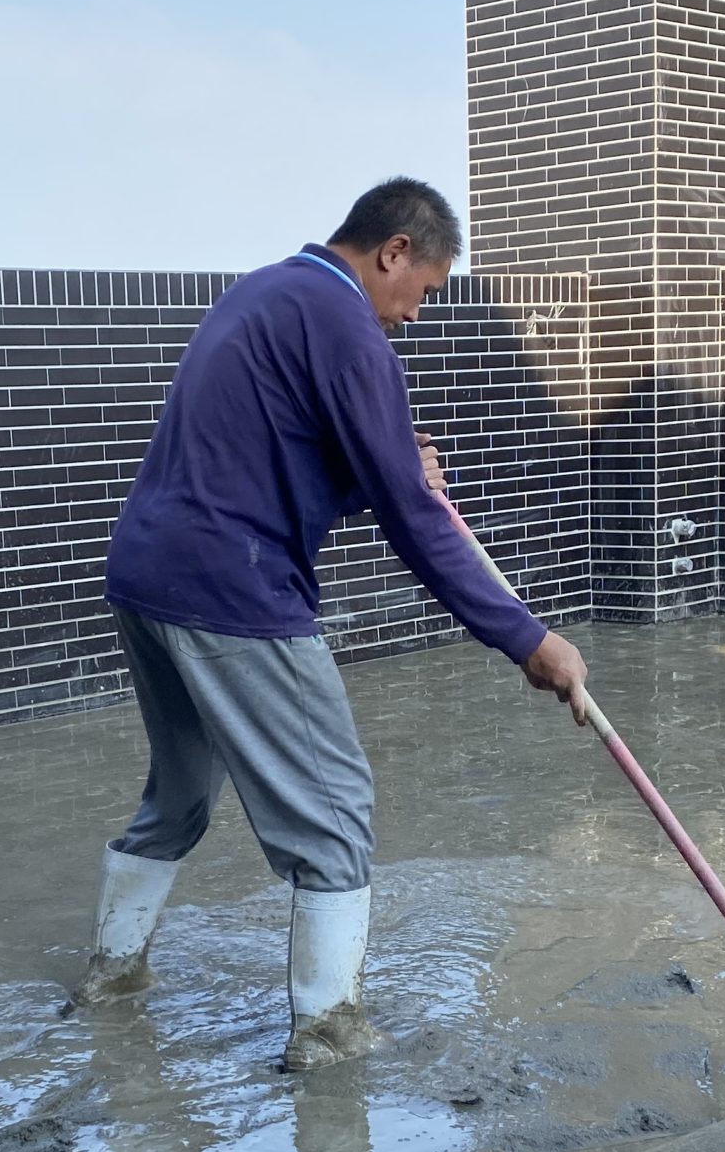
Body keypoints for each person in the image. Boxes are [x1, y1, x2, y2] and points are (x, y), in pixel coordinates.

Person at [77, 177, 590, 1070]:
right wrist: (527, 640)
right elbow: (413, 520)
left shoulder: (269, 290)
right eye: (424, 289)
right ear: (393, 251)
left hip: (147, 575)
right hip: (233, 592)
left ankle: (111, 978)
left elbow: (291, 460)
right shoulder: (350, 326)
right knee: (336, 813)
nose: (418, 314)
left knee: (179, 799)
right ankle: (329, 1034)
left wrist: (392, 462)